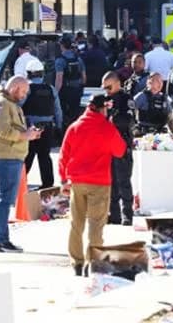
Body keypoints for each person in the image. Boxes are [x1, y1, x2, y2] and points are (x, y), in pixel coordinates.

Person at [59, 95, 127, 276]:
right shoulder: (107, 128)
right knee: (96, 225)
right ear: (103, 109)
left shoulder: (75, 127)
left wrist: (63, 180)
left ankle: (77, 263)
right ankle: (93, 263)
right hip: (99, 182)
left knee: (76, 223)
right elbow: (120, 151)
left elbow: (63, 155)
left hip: (77, 182)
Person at [0, 76, 43, 253]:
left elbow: (13, 129)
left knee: (4, 199)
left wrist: (29, 133)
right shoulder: (2, 104)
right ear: (15, 88)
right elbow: (4, 131)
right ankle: (1, 240)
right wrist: (25, 135)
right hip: (7, 157)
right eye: (24, 91)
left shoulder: (9, 103)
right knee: (5, 200)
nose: (25, 95)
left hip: (12, 156)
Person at [21, 58, 62, 188]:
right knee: (44, 156)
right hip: (47, 128)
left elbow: (18, 106)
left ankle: (20, 184)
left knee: (27, 157)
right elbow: (58, 110)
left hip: (29, 128)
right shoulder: (51, 89)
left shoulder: (26, 89)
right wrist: (59, 127)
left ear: (28, 74)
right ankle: (47, 185)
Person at [101, 72, 135, 225]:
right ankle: (113, 214)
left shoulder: (126, 99)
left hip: (122, 143)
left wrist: (112, 117)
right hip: (107, 146)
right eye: (104, 88)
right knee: (110, 181)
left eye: (108, 87)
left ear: (117, 83)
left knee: (124, 180)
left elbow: (127, 120)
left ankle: (127, 213)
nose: (106, 90)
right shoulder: (105, 100)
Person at [54, 34, 86, 129]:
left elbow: (59, 80)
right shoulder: (78, 59)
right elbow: (84, 78)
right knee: (75, 114)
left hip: (65, 91)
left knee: (64, 114)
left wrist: (55, 94)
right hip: (77, 91)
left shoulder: (60, 61)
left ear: (62, 46)